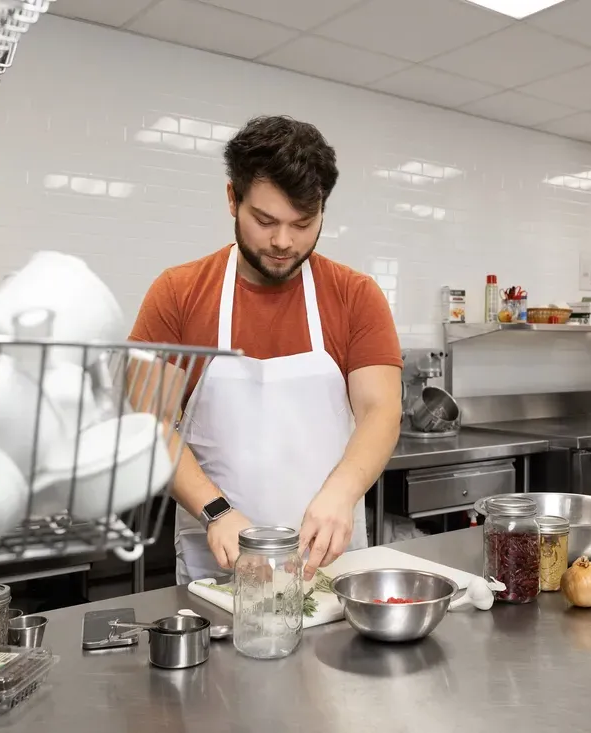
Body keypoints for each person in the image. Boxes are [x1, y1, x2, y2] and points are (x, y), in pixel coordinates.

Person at [130, 115, 403, 584]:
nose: (283, 241)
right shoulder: (178, 293)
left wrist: (341, 493)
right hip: (217, 565)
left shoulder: (356, 294)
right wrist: (215, 510)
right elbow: (145, 419)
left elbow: (381, 410)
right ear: (232, 199)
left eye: (303, 223)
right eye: (264, 220)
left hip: (328, 561)